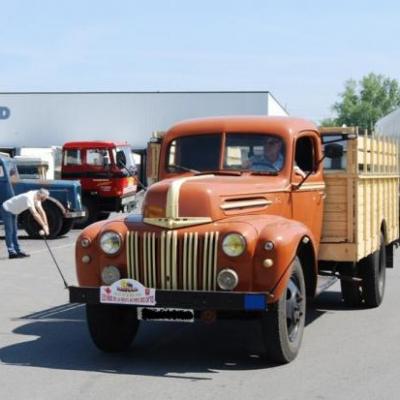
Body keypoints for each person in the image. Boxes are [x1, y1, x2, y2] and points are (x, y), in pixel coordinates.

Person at [1, 188, 50, 259]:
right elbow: (35, 214)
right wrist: (43, 225)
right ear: (40, 194)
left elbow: (41, 211)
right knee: (9, 231)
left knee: (14, 232)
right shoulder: (29, 197)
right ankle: (11, 252)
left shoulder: (37, 196)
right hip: (7, 209)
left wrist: (46, 226)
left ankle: (18, 251)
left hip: (14, 211)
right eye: (43, 198)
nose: (43, 200)